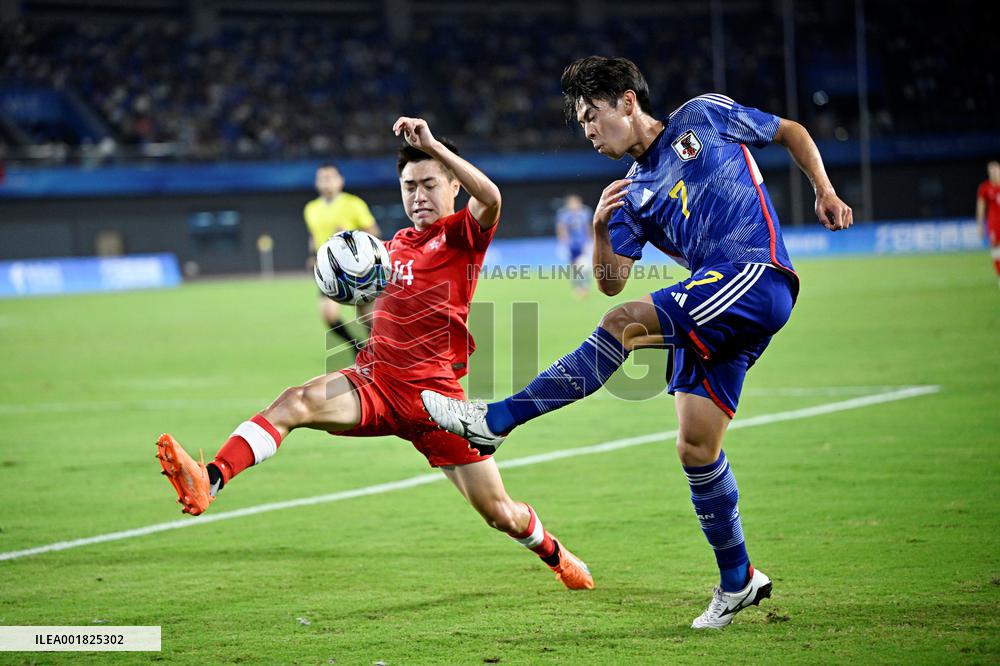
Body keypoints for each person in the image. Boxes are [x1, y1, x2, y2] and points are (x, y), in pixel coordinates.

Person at [421, 56, 852, 629]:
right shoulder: (629, 193)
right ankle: (739, 580)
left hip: (755, 274)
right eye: (581, 123)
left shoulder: (703, 115)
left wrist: (824, 190)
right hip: (717, 304)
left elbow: (790, 131)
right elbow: (610, 281)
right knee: (696, 448)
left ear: (627, 101)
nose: (587, 130)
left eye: (591, 115)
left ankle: (495, 420)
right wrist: (601, 230)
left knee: (624, 323)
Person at [156, 117, 594, 592]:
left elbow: (490, 199)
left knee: (499, 513)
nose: (419, 195)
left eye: (429, 184)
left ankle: (555, 554)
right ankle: (211, 479)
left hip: (437, 404)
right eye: (409, 186)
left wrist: (433, 145)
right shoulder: (389, 248)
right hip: (375, 383)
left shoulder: (460, 237)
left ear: (453, 185)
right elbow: (373, 304)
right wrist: (344, 281)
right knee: (294, 402)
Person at [304, 163, 382, 353]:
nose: (326, 182)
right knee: (329, 315)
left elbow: (374, 232)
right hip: (330, 270)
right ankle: (357, 348)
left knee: (367, 317)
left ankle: (379, 351)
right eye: (322, 178)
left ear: (340, 181)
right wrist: (312, 255)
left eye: (330, 177)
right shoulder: (311, 208)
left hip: (357, 268)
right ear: (316, 183)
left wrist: (350, 236)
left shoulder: (353, 204)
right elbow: (313, 235)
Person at [555, 194, 595, 297]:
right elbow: (561, 228)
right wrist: (563, 242)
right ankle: (577, 287)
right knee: (573, 268)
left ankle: (585, 287)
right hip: (571, 245)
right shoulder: (564, 214)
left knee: (584, 266)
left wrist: (591, 240)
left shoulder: (585, 212)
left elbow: (589, 227)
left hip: (583, 244)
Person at [975, 160, 1000, 286]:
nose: (993, 173)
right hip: (994, 223)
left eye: (995, 170)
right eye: (991, 171)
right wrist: (980, 224)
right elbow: (981, 206)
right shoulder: (985, 187)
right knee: (996, 250)